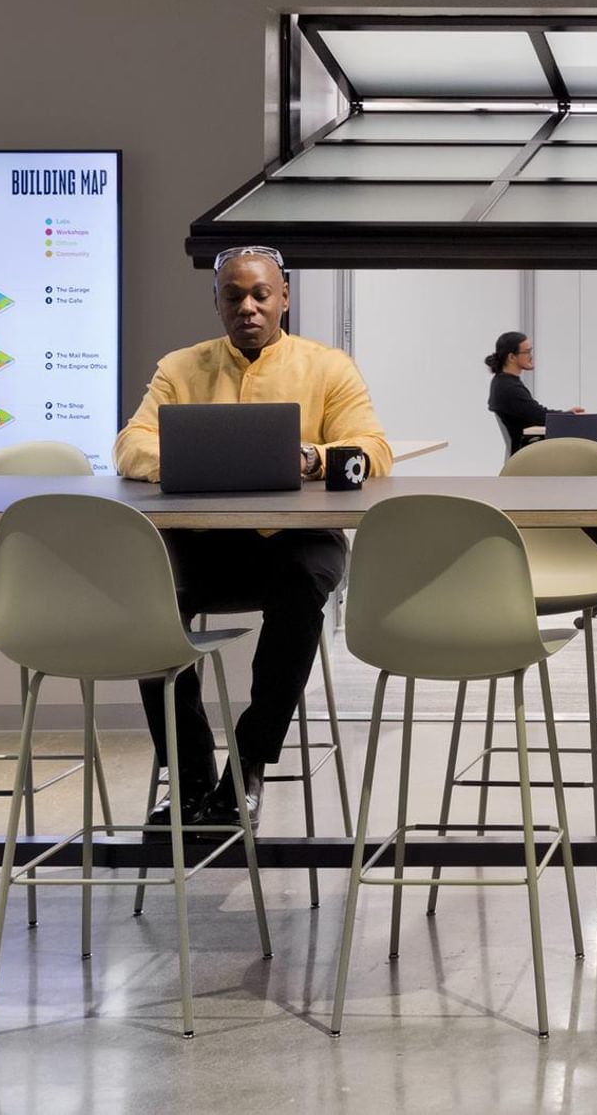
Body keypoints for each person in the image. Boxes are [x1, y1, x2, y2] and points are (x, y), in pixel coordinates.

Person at [114, 244, 392, 830]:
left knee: (301, 588)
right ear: (215, 302)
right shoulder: (179, 368)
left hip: (295, 542)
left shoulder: (328, 367)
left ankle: (247, 765)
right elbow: (130, 446)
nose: (248, 307)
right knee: (147, 592)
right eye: (234, 295)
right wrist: (192, 459)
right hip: (204, 544)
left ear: (284, 297)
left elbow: (372, 450)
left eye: (261, 294)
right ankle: (189, 776)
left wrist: (308, 459)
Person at [485, 331, 583, 454]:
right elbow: (539, 416)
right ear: (511, 357)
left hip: (529, 448)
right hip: (530, 452)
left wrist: (567, 414)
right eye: (527, 352)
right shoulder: (508, 388)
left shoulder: (503, 382)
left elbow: (534, 413)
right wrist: (569, 415)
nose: (531, 356)